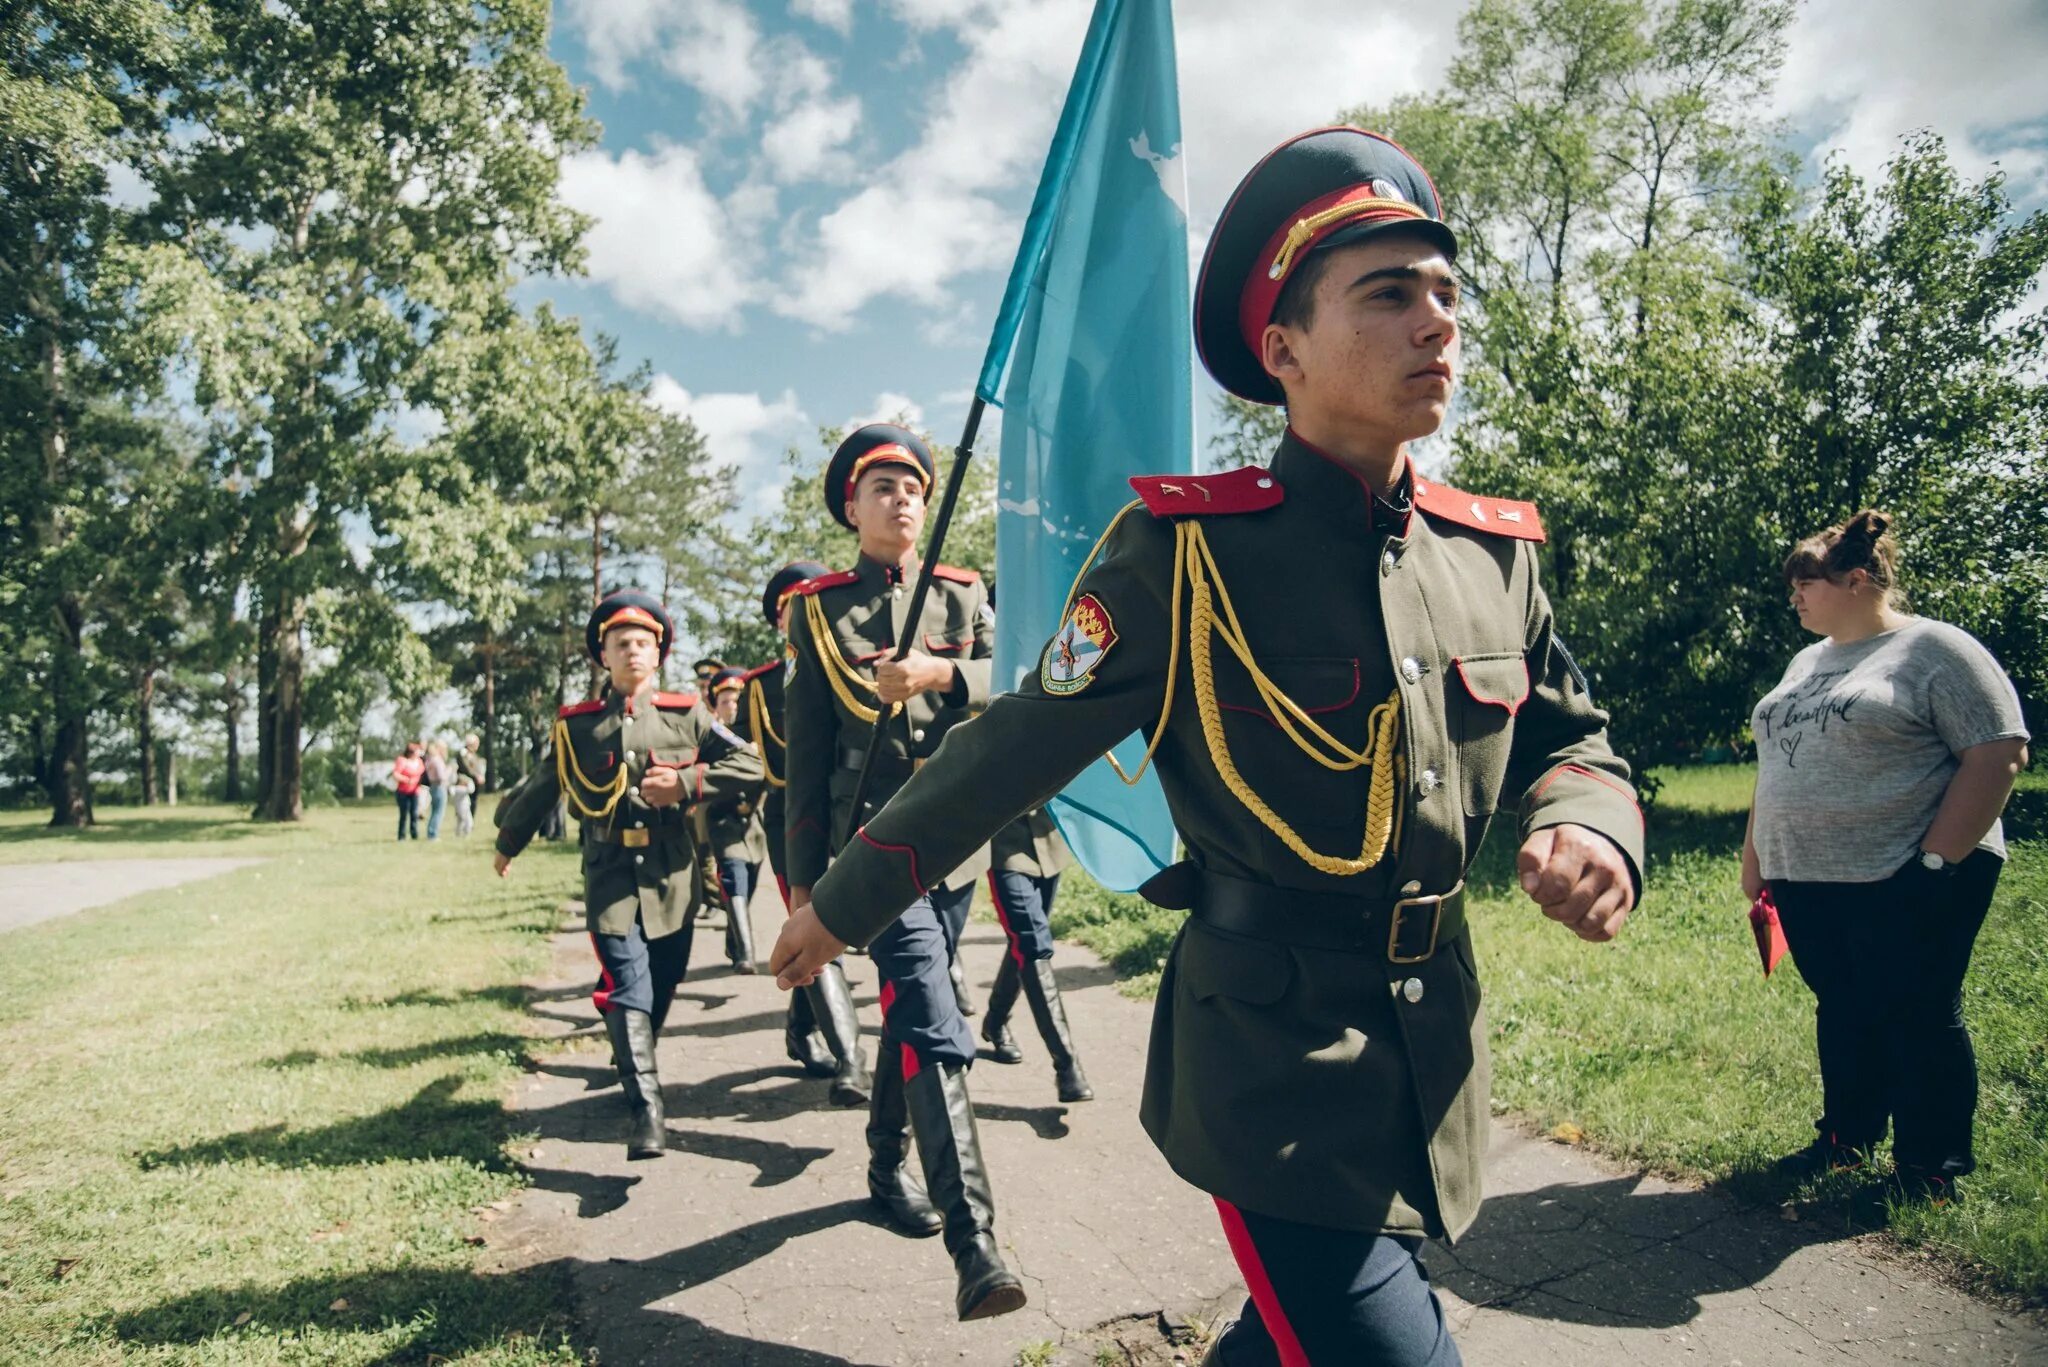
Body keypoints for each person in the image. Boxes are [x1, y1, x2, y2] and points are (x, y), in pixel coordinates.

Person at [772, 128, 1646, 1365]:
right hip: (1268, 1057)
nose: (1435, 321)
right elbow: (1009, 743)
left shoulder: (1490, 553)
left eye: (1445, 291)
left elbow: (1574, 733)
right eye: (1388, 294)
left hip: (1430, 1046)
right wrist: (845, 899)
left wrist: (1590, 818)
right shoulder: (1182, 551)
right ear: (1280, 349)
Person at [780, 424, 1024, 1321]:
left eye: (914, 486)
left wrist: (940, 675)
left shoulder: (961, 597)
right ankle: (978, 1244)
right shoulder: (817, 608)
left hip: (956, 844)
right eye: (881, 486)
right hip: (872, 852)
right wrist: (806, 886)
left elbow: (1026, 683)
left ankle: (885, 1165)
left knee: (911, 1015)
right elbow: (803, 761)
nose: (902, 499)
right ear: (852, 506)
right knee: (929, 1003)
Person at [1743, 510, 2030, 1207]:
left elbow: (1999, 751)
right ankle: (1848, 1137)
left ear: (1858, 579)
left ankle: (1932, 1168)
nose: (1796, 598)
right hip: (1809, 875)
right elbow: (1775, 764)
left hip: (1909, 870)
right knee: (1842, 1007)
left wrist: (1935, 861)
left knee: (1917, 1010)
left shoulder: (1936, 649)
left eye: (1806, 584)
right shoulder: (1804, 662)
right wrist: (1756, 857)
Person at [494, 588, 764, 1159]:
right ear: (604, 656)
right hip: (610, 872)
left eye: (644, 643)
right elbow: (546, 785)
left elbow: (751, 763)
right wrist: (508, 842)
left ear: (658, 653)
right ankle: (647, 1108)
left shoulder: (688, 714)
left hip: (673, 874)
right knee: (626, 981)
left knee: (661, 984)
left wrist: (689, 784)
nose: (633, 651)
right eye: (622, 644)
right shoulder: (577, 726)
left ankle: (632, 1057)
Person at [740, 562, 871, 1105]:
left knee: (819, 936)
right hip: (798, 816)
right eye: (793, 608)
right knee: (821, 926)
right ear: (781, 622)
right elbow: (780, 764)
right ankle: (852, 1060)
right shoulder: (764, 685)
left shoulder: (858, 655)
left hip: (856, 809)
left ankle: (800, 1026)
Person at [978, 808, 1092, 1103]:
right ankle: (1067, 1064)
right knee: (1032, 943)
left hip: (1048, 839)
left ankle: (995, 1021)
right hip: (1002, 844)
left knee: (1026, 945)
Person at [705, 666, 768, 973]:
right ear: (715, 706)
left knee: (750, 881)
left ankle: (733, 938)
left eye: (736, 701)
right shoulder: (709, 737)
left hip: (755, 824)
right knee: (734, 877)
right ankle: (746, 952)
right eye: (725, 701)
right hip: (723, 821)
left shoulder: (759, 733)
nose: (731, 707)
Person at [391, 741, 426, 841]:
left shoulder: (419, 761)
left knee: (414, 813)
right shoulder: (402, 760)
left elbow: (423, 773)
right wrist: (406, 780)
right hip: (403, 792)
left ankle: (414, 834)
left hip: (415, 791)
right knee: (404, 814)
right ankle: (401, 836)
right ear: (411, 752)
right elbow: (396, 774)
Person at [455, 733, 487, 836]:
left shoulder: (474, 754)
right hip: (465, 783)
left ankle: (469, 825)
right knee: (464, 806)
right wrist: (476, 776)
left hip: (474, 783)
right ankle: (464, 827)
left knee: (473, 803)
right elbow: (466, 767)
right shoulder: (463, 753)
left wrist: (480, 776)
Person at [423, 741, 452, 840]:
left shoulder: (429, 759)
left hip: (433, 786)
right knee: (439, 812)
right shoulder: (437, 760)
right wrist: (449, 770)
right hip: (439, 786)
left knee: (434, 811)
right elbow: (442, 777)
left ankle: (431, 832)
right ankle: (433, 834)